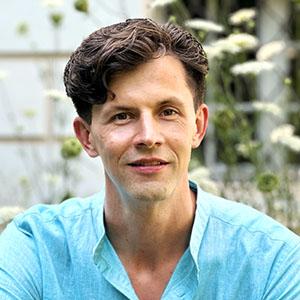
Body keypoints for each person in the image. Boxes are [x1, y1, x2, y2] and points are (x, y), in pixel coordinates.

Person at [0, 18, 299, 300]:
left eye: (168, 112)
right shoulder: (36, 249)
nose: (148, 136)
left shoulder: (273, 261)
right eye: (122, 116)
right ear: (87, 136)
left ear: (198, 126)